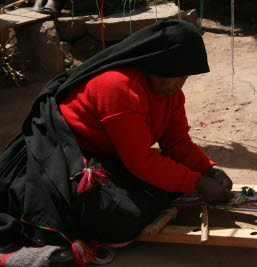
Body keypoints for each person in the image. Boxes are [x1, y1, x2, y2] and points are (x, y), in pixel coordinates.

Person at [0, 19, 233, 265]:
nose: (177, 83)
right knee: (124, 215)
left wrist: (208, 168)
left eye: (184, 76)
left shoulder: (171, 94)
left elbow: (177, 142)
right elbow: (139, 160)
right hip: (65, 156)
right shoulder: (118, 87)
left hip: (113, 154)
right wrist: (197, 182)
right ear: (152, 63)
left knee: (166, 188)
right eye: (171, 75)